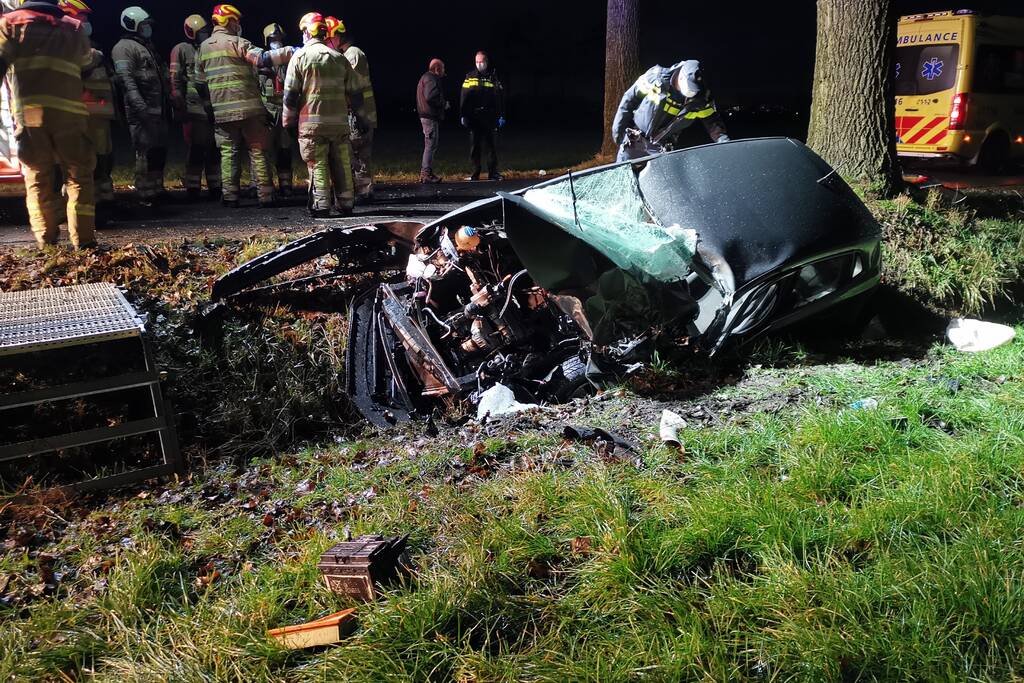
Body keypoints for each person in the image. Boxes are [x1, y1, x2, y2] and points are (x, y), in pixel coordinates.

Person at [0, 0, 95, 248]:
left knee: (38, 176)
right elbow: (86, 63)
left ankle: (46, 241)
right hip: (70, 115)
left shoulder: (10, 23)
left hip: (31, 114)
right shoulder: (73, 27)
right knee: (78, 176)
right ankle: (83, 242)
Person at [194, 4, 294, 208]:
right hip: (249, 110)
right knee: (258, 151)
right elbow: (262, 58)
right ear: (228, 21)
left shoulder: (203, 48)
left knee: (228, 153)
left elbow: (199, 83)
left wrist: (210, 107)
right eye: (235, 20)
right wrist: (291, 51)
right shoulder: (237, 42)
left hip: (222, 112)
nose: (237, 24)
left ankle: (230, 196)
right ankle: (265, 195)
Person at [283, 12, 362, 218]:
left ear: (308, 32)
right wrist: (360, 117)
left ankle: (321, 205)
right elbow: (356, 93)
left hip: (312, 126)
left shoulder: (299, 57)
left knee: (317, 164)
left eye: (303, 32)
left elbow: (290, 96)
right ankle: (346, 203)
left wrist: (288, 122)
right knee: (342, 163)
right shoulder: (339, 58)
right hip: (339, 124)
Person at [612, 59, 730, 162]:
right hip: (634, 140)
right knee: (623, 177)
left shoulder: (701, 99)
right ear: (681, 78)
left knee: (658, 182)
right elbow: (629, 98)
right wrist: (618, 129)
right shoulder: (656, 79)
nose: (691, 96)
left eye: (694, 91)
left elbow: (712, 122)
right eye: (690, 90)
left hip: (662, 148)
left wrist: (724, 143)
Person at [58, 0, 114, 220]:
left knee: (103, 161)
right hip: (81, 114)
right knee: (83, 165)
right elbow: (82, 63)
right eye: (83, 17)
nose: (87, 22)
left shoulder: (85, 42)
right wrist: (96, 55)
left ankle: (103, 203)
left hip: (99, 115)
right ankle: (83, 212)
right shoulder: (65, 43)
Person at [112, 6, 169, 204]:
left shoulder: (145, 45)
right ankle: (144, 193)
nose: (147, 28)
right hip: (141, 111)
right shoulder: (123, 48)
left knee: (158, 151)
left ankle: (156, 189)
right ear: (133, 25)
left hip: (157, 110)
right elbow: (127, 81)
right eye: (144, 25)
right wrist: (140, 108)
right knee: (144, 152)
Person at [170, 14, 221, 201]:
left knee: (214, 147)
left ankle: (215, 185)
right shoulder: (181, 49)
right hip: (193, 107)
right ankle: (193, 187)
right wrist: (179, 103)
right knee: (197, 148)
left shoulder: (208, 48)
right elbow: (175, 78)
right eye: (200, 32)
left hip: (212, 104)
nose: (204, 35)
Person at [329, 18, 376, 202]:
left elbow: (351, 87)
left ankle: (364, 191)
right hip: (356, 113)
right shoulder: (347, 54)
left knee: (359, 153)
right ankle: (362, 189)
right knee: (355, 154)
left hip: (359, 114)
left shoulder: (353, 54)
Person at [257, 22, 293, 197]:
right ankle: (259, 185)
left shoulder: (290, 58)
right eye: (273, 38)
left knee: (285, 149)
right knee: (263, 150)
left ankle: (286, 184)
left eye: (279, 38)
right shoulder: (260, 60)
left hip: (285, 108)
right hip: (268, 109)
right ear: (267, 40)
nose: (277, 41)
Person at [460, 51, 504, 181]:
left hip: (489, 117)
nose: (479, 64)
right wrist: (463, 114)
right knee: (475, 147)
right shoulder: (470, 76)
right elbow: (464, 97)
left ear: (486, 62)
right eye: (477, 62)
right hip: (474, 117)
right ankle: (475, 173)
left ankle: (493, 173)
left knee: (491, 146)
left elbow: (500, 97)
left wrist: (501, 115)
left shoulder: (493, 77)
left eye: (481, 61)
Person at [416, 58, 446, 184]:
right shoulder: (431, 78)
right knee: (430, 145)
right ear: (437, 69)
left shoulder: (425, 78)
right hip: (430, 117)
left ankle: (426, 172)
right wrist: (443, 103)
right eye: (443, 68)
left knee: (430, 144)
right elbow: (430, 96)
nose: (444, 71)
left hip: (426, 116)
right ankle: (426, 173)